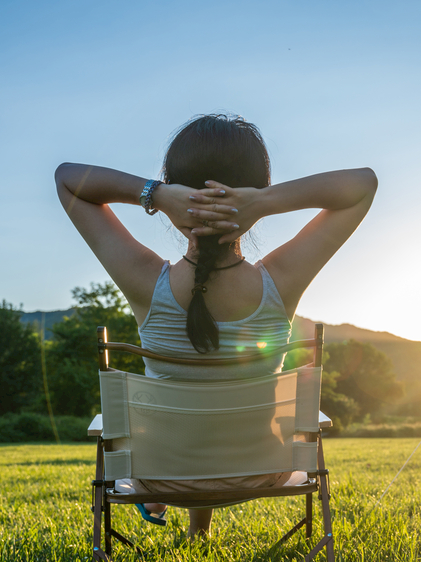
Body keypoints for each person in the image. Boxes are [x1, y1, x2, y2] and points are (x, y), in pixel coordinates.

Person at [55, 114, 377, 538]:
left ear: (174, 187)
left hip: (160, 475)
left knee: (183, 419)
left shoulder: (144, 281)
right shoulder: (281, 281)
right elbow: (363, 184)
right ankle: (199, 531)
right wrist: (263, 203)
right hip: (263, 473)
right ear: (255, 188)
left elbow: (67, 179)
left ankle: (176, 514)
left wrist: (154, 194)